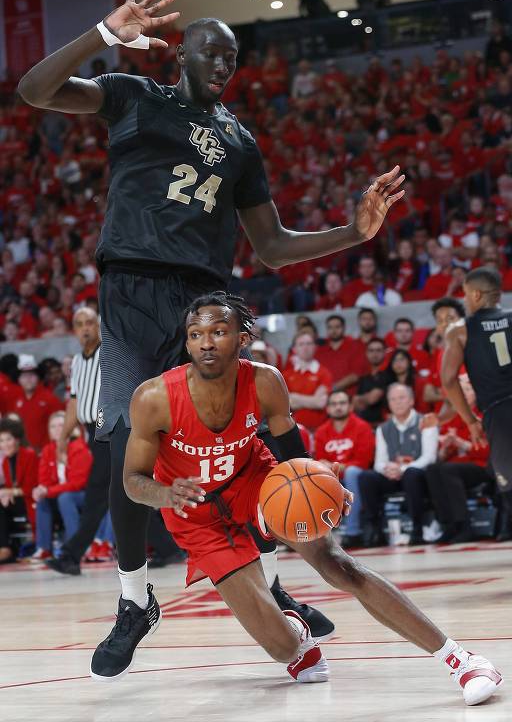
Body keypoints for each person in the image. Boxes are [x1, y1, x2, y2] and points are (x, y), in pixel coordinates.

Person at [18, 0, 405, 678]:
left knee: (232, 446)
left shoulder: (240, 140)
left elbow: (274, 246)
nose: (222, 64)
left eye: (231, 57)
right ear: (181, 55)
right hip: (132, 288)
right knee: (125, 442)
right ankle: (135, 599)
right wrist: (104, 34)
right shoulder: (134, 97)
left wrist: (354, 231)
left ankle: (271, 583)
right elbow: (34, 88)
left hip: (205, 301)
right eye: (210, 52)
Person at [120, 292, 501, 704]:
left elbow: (295, 458)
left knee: (338, 563)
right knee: (284, 650)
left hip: (254, 480)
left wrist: (326, 492)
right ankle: (297, 637)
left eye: (218, 331)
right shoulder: (153, 398)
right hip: (194, 511)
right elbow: (131, 481)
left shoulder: (265, 381)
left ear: (243, 338)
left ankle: (460, 659)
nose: (206, 343)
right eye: (196, 334)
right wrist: (163, 492)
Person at [442, 267, 512, 544]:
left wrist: (470, 420)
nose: (464, 301)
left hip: (498, 409)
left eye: (464, 296)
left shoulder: (459, 330)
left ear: (476, 294)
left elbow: (448, 380)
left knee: (508, 479)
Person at [45, 307, 112, 574]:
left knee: (96, 495)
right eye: (79, 324)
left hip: (109, 429)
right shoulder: (76, 361)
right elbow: (74, 402)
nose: (85, 328)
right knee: (121, 494)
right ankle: (167, 546)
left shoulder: (109, 354)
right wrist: (63, 439)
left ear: (98, 326)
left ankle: (71, 555)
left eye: (89, 323)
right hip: (90, 432)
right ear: (74, 330)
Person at [359, 383, 438, 547]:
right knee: (366, 477)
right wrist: (387, 470)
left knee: (412, 474)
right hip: (394, 476)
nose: (397, 402)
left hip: (418, 475)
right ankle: (375, 530)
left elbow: (429, 457)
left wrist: (402, 469)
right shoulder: (383, 428)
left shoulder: (427, 421)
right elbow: (379, 461)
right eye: (393, 399)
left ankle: (417, 529)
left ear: (411, 401)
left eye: (402, 398)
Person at [425, 380, 492, 544]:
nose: (463, 393)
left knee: (448, 470)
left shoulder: (483, 416)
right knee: (432, 469)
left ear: (476, 393)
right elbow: (443, 455)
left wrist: (462, 444)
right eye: (460, 390)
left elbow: (488, 453)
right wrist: (445, 449)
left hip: (480, 466)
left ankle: (464, 524)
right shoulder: (453, 419)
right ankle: (448, 524)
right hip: (456, 467)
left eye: (468, 389)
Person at [315, 391, 375, 547]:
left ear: (350, 406)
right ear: (328, 409)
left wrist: (335, 466)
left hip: (357, 475)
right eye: (334, 404)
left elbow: (363, 461)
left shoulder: (362, 427)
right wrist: (328, 466)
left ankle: (353, 532)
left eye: (342, 403)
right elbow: (320, 460)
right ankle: (315, 533)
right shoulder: (322, 431)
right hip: (331, 476)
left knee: (352, 472)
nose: (338, 407)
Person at [31, 412, 92, 561]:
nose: (57, 429)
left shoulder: (79, 448)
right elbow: (44, 480)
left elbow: (78, 483)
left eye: (61, 425)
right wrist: (41, 490)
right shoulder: (47, 451)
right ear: (49, 431)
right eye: (53, 426)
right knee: (42, 500)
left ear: (69, 428)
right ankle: (44, 548)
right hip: (60, 496)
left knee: (65, 498)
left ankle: (76, 546)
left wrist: (49, 490)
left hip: (82, 496)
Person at [0, 417, 38, 563]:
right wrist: (7, 493)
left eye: (8, 439)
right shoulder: (5, 461)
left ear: (17, 439)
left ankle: (5, 549)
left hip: (31, 500)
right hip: (18, 500)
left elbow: (31, 488)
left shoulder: (29, 455)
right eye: (1, 441)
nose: (4, 444)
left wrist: (10, 492)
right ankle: (5, 547)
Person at [8, 354, 64, 450]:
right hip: (24, 454)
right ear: (19, 379)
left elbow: (62, 428)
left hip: (46, 452)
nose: (28, 379)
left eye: (31, 375)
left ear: (38, 377)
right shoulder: (17, 401)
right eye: (24, 376)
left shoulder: (50, 399)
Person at [283, 331, 332, 431]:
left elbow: (320, 403)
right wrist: (312, 400)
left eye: (309, 343)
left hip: (318, 429)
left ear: (315, 347)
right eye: (301, 344)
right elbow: (286, 404)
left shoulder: (323, 373)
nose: (305, 347)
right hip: (294, 429)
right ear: (294, 349)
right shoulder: (286, 375)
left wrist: (294, 397)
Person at [315, 315, 368, 395]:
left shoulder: (355, 346)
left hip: (348, 397)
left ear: (344, 328)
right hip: (323, 398)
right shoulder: (319, 350)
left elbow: (355, 375)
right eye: (330, 327)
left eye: (337, 327)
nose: (334, 330)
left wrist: (331, 389)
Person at [353, 338, 388, 425]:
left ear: (385, 352)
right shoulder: (365, 377)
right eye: (371, 350)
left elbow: (372, 399)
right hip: (365, 424)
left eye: (378, 350)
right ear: (366, 353)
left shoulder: (389, 374)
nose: (374, 354)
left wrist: (360, 399)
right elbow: (355, 404)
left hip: (383, 424)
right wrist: (364, 399)